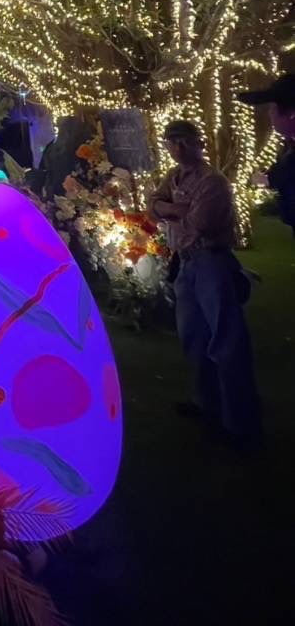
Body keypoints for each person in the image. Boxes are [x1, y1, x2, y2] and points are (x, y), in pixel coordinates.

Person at [147, 120, 261, 450]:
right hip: (185, 262)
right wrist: (175, 208)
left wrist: (167, 209)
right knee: (193, 336)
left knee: (226, 340)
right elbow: (152, 207)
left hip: (212, 261)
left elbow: (200, 221)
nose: (178, 148)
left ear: (199, 143)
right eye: (172, 142)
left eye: (184, 141)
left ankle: (238, 423)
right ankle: (206, 402)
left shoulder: (213, 181)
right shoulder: (173, 177)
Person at [237, 72, 295, 238]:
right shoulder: (288, 150)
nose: (270, 114)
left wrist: (268, 178)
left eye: (272, 108)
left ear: (291, 113)